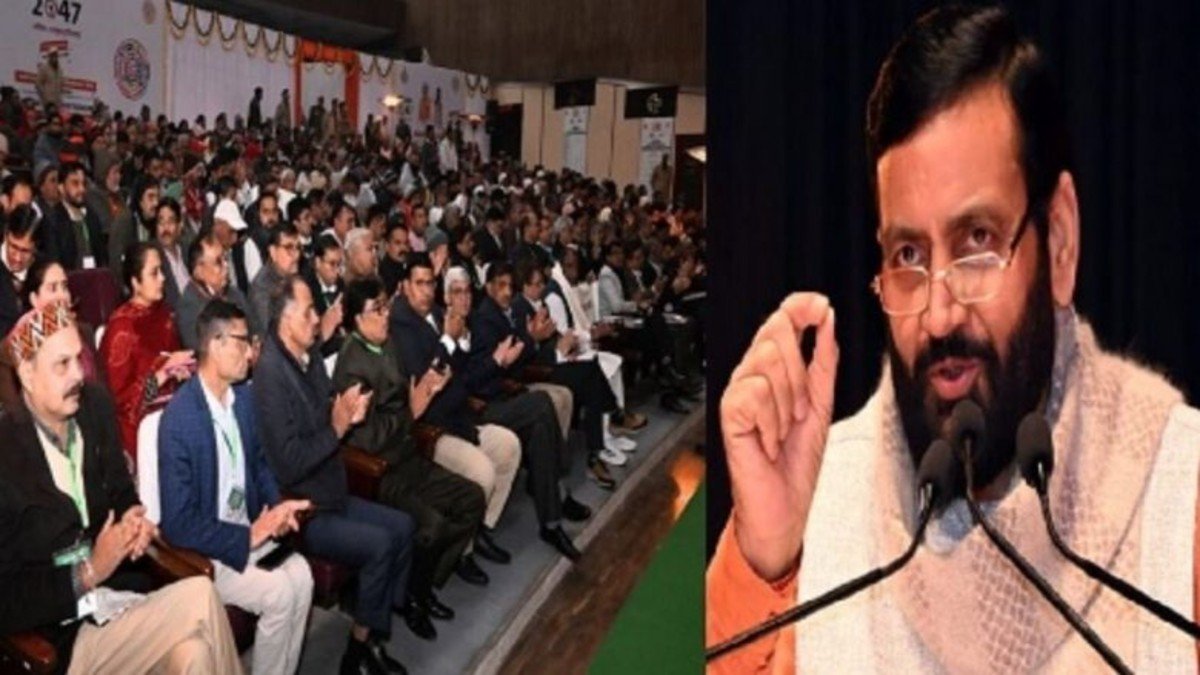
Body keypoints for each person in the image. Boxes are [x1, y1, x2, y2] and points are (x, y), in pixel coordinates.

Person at [707, 6, 1199, 673]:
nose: (939, 316)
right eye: (908, 255)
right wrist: (768, 559)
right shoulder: (826, 501)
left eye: (977, 241)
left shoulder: (1178, 501)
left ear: (1059, 242)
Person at [0, 302, 243, 673]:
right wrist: (88, 571)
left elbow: (121, 492)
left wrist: (133, 520)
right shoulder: (6, 456)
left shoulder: (94, 408)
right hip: (61, 638)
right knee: (200, 595)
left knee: (194, 654)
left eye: (79, 359)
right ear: (28, 375)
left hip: (116, 601)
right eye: (62, 364)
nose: (79, 374)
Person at [253, 273, 427, 663]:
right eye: (309, 312)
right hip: (305, 509)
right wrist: (337, 426)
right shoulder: (270, 375)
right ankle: (358, 652)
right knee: (381, 544)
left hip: (332, 488)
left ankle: (371, 630)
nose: (318, 319)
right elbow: (289, 463)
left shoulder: (309, 355)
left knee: (403, 527)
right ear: (285, 320)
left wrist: (348, 409)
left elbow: (328, 411)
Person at [158, 300, 314, 675]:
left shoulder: (242, 399)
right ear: (216, 344)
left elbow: (259, 464)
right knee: (279, 593)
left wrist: (276, 508)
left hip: (250, 529)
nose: (250, 352)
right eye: (243, 342)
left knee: (303, 577)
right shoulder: (179, 419)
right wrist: (245, 538)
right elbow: (178, 523)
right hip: (213, 549)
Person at [333, 276, 492, 634]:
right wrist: (411, 411)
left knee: (471, 498)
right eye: (377, 310)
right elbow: (367, 438)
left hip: (408, 454)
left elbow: (407, 395)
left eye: (386, 307)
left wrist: (427, 388)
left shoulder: (387, 343)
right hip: (381, 471)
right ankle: (412, 597)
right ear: (357, 319)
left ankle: (421, 583)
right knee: (431, 525)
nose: (385, 315)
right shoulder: (352, 364)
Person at [391, 263, 521, 561]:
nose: (426, 291)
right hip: (432, 428)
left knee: (508, 446)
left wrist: (460, 343)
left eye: (430, 283)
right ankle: (463, 551)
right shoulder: (399, 326)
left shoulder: (439, 315)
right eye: (419, 283)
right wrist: (449, 340)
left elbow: (460, 373)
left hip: (460, 416)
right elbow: (424, 380)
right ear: (405, 287)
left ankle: (480, 529)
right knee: (483, 472)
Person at [98, 243, 192, 468]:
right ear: (135, 282)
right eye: (154, 273)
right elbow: (119, 400)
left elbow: (174, 358)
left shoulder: (165, 314)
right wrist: (161, 375)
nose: (162, 278)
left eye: (162, 271)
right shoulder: (122, 328)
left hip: (171, 411)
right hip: (138, 429)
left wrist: (181, 371)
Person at [177, 233, 257, 349]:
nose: (226, 266)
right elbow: (202, 352)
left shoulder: (235, 294)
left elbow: (255, 331)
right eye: (218, 262)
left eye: (225, 259)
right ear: (199, 271)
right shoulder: (189, 308)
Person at [43, 161, 106, 271]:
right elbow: (54, 263)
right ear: (61, 188)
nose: (82, 189)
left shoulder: (92, 216)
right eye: (75, 183)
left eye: (83, 183)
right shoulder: (52, 221)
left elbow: (102, 256)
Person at [0, 204, 38, 337]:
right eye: (13, 247)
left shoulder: (43, 271)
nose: (17, 258)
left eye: (25, 251)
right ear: (6, 235)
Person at [153, 197, 190, 308]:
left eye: (170, 222)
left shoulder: (187, 250)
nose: (165, 229)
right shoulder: (153, 257)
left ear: (179, 225)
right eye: (161, 222)